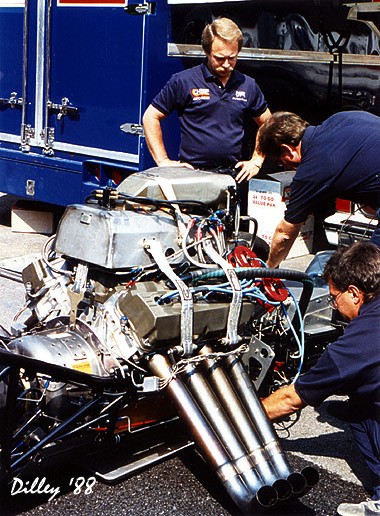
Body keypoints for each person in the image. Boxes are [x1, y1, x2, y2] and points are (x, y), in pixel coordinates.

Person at [262, 242, 380, 516]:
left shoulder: (353, 346)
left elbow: (291, 400)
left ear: (354, 293)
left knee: (364, 406)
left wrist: (243, 415)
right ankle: (359, 407)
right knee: (362, 395)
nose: (334, 307)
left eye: (334, 298)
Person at [142, 17, 271, 183]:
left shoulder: (248, 85)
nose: (226, 64)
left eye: (232, 58)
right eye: (219, 58)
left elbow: (268, 123)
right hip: (192, 175)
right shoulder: (184, 81)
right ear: (206, 52)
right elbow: (150, 117)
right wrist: (163, 161)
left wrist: (257, 161)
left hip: (231, 176)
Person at [255, 111, 380, 268]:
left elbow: (285, 234)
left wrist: (269, 270)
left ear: (287, 150)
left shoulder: (310, 172)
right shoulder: (340, 118)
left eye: (281, 161)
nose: (286, 166)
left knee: (369, 274)